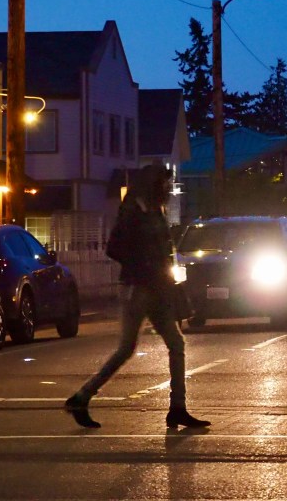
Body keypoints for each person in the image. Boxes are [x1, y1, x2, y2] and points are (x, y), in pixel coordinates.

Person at [64, 164, 210, 430]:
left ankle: (177, 407)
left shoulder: (155, 209)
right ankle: (82, 397)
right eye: (164, 182)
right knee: (126, 348)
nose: (168, 187)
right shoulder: (134, 208)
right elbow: (114, 248)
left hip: (158, 287)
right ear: (153, 183)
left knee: (176, 343)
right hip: (138, 288)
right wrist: (143, 265)